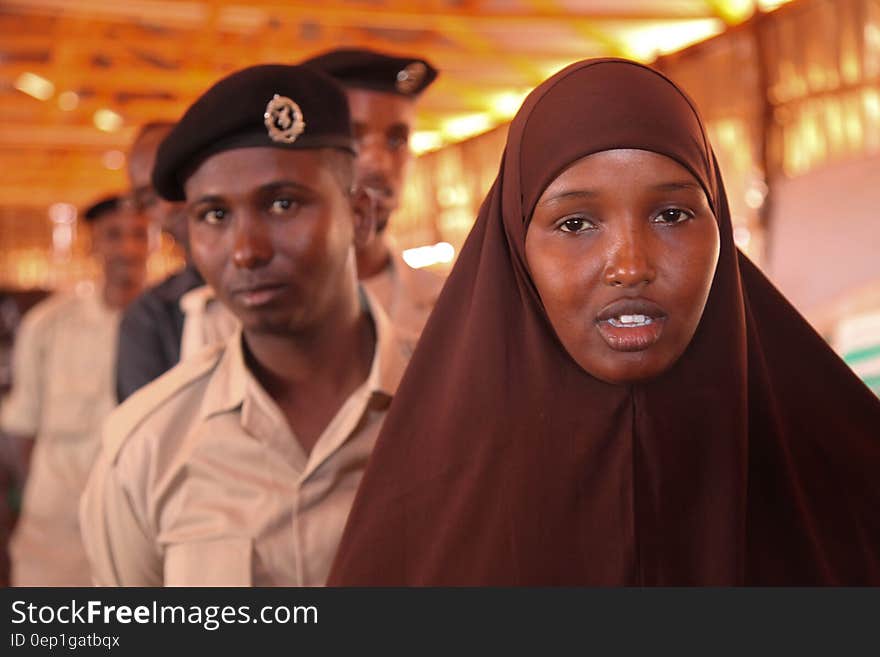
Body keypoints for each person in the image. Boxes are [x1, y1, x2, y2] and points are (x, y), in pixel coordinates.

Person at [328, 58, 880, 586]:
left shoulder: (841, 471)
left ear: (720, 225)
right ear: (516, 251)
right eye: (575, 223)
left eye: (672, 215)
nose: (631, 266)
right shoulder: (427, 509)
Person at [80, 64, 410, 586]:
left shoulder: (464, 405)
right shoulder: (148, 447)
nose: (246, 251)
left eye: (283, 204)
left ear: (360, 216)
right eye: (214, 215)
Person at [1, 194, 150, 585]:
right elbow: (21, 429)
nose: (128, 248)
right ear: (92, 244)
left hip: (142, 530)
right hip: (56, 535)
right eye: (114, 235)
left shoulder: (177, 324)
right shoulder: (48, 325)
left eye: (139, 234)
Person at [303, 48, 445, 347]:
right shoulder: (242, 309)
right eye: (354, 137)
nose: (378, 164)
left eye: (397, 140)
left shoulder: (452, 303)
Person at [115, 121, 206, 403]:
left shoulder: (278, 284)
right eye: (150, 199)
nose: (169, 206)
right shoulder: (151, 316)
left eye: (174, 183)